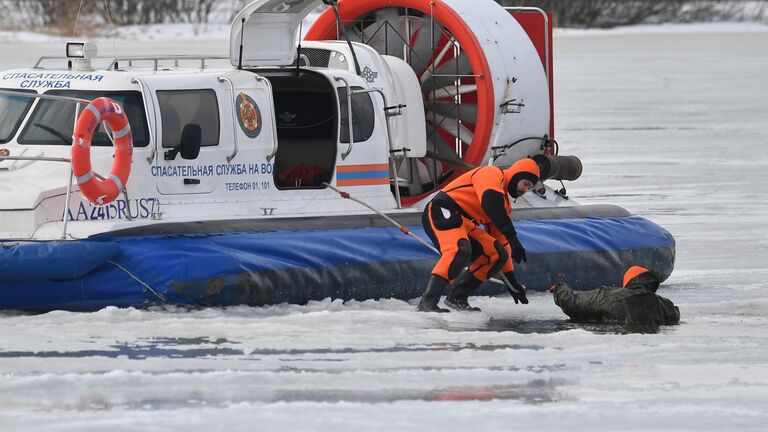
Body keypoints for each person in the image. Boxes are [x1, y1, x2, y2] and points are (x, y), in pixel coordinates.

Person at [417, 158, 541, 312]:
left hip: (466, 224)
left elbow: (502, 242)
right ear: (516, 175)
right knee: (459, 249)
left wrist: (512, 282)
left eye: (530, 187)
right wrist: (513, 237)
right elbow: (490, 201)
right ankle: (427, 302)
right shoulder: (491, 173)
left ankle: (457, 297)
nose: (526, 190)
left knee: (497, 254)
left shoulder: (505, 205)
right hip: (443, 210)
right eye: (526, 183)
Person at [549, 265, 680, 326]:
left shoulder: (608, 296)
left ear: (628, 282)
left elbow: (571, 302)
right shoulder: (666, 305)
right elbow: (676, 316)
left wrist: (560, 288)